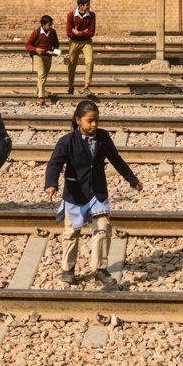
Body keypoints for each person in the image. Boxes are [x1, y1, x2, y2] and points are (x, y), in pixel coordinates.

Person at [44, 100, 143, 287]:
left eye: (96, 120)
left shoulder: (103, 138)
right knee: (71, 233)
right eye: (90, 121)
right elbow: (54, 164)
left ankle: (100, 269)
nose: (94, 124)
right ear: (78, 120)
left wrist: (132, 179)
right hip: (75, 193)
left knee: (103, 227)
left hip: (97, 193)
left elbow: (116, 159)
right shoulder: (66, 141)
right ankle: (68, 269)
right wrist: (51, 184)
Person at [25, 14, 60, 106]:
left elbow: (56, 44)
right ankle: (41, 98)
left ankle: (38, 91)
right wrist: (36, 49)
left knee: (44, 75)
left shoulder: (53, 32)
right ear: (43, 25)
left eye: (51, 24)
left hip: (48, 56)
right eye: (49, 24)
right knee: (42, 75)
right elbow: (27, 45)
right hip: (38, 56)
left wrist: (55, 52)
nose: (51, 26)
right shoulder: (36, 33)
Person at [65, 0, 96, 95]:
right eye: (87, 5)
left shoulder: (91, 15)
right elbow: (69, 33)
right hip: (74, 42)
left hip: (86, 41)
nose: (89, 7)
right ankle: (70, 86)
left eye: (89, 4)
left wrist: (79, 33)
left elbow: (91, 32)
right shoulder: (71, 15)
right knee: (71, 64)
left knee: (90, 61)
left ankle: (86, 86)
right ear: (80, 5)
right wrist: (83, 32)